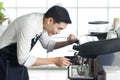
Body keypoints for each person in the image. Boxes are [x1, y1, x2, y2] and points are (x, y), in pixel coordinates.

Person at [0, 5, 77, 80]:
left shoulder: (43, 22)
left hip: (16, 59)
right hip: (4, 59)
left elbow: (48, 44)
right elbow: (23, 59)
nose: (58, 32)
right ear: (50, 21)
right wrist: (54, 60)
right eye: (59, 28)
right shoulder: (29, 25)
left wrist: (68, 42)